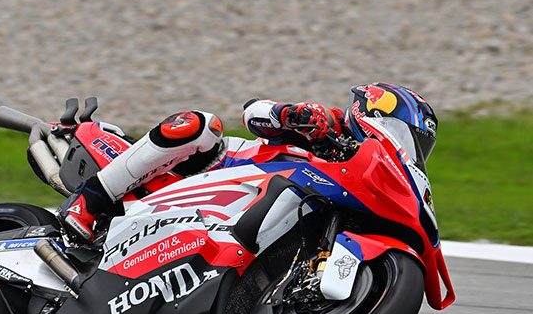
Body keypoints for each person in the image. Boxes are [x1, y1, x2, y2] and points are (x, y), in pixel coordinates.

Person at [58, 83, 438, 242]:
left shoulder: (361, 177)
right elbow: (253, 112)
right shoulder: (326, 123)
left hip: (230, 222)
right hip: (216, 171)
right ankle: (89, 201)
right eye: (401, 131)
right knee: (200, 124)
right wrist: (290, 114)